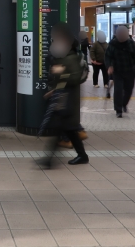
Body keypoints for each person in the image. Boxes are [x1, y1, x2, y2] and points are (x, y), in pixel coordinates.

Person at [38, 23, 89, 168]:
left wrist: (59, 72)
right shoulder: (64, 56)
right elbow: (63, 80)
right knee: (70, 129)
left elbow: (73, 79)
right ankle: (82, 155)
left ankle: (48, 161)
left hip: (69, 99)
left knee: (61, 127)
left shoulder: (71, 57)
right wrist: (54, 89)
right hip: (63, 97)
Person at [105, 26, 135, 118]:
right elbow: (107, 56)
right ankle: (118, 110)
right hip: (117, 70)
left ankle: (124, 104)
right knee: (118, 90)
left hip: (130, 70)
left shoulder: (130, 43)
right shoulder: (112, 44)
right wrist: (109, 66)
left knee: (129, 89)